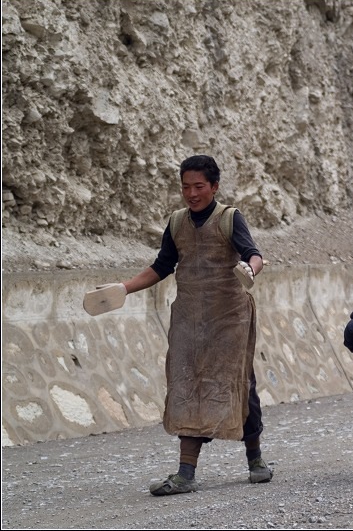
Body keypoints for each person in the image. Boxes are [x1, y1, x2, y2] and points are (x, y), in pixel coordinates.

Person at [101, 155, 271, 495]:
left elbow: (253, 254)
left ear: (214, 186)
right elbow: (162, 265)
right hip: (189, 319)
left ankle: (255, 459)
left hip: (230, 318)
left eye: (199, 186)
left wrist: (250, 269)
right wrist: (123, 288)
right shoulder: (177, 221)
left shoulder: (229, 218)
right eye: (185, 187)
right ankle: (185, 473)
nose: (191, 194)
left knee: (239, 384)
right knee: (186, 385)